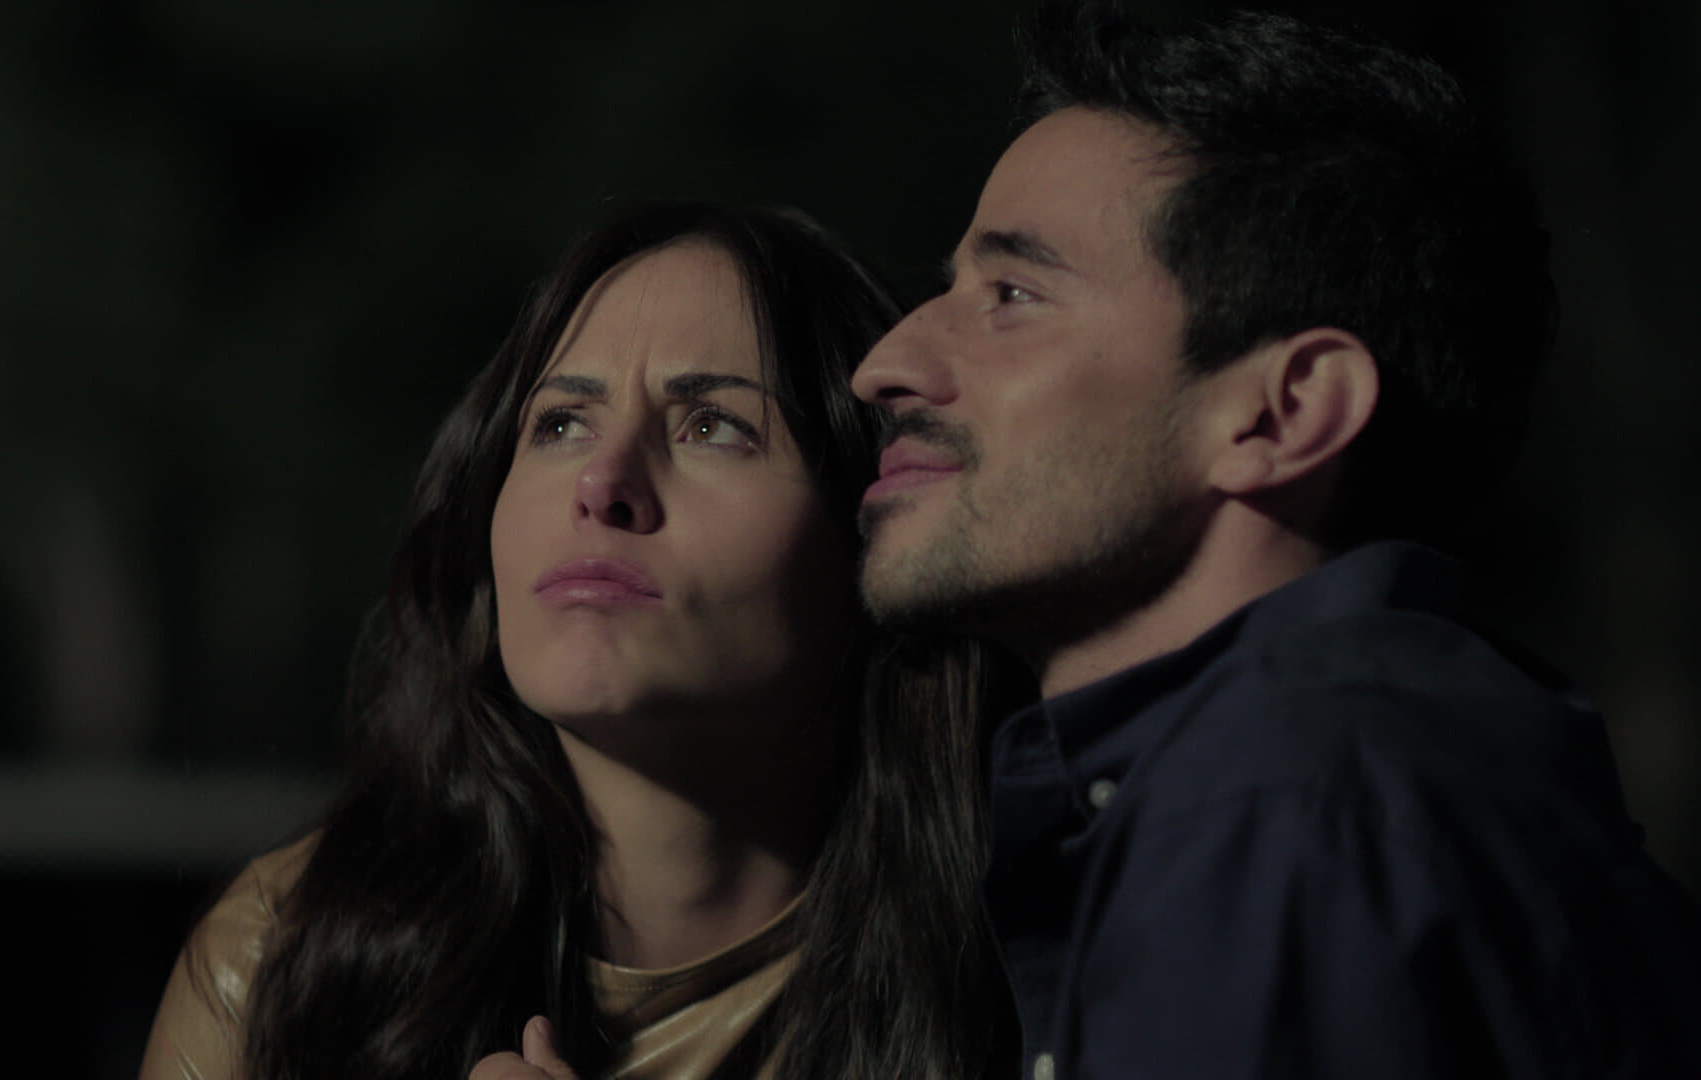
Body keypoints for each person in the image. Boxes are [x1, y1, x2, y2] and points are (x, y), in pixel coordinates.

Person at [850, 2, 1701, 1077]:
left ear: (1287, 412)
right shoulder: (1384, 770)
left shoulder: (1274, 798)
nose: (885, 365)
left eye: (1013, 294)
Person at [135, 201, 1018, 1080]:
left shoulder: (1028, 972)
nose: (602, 480)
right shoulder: (287, 958)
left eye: (712, 426)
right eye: (561, 424)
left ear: (872, 533)